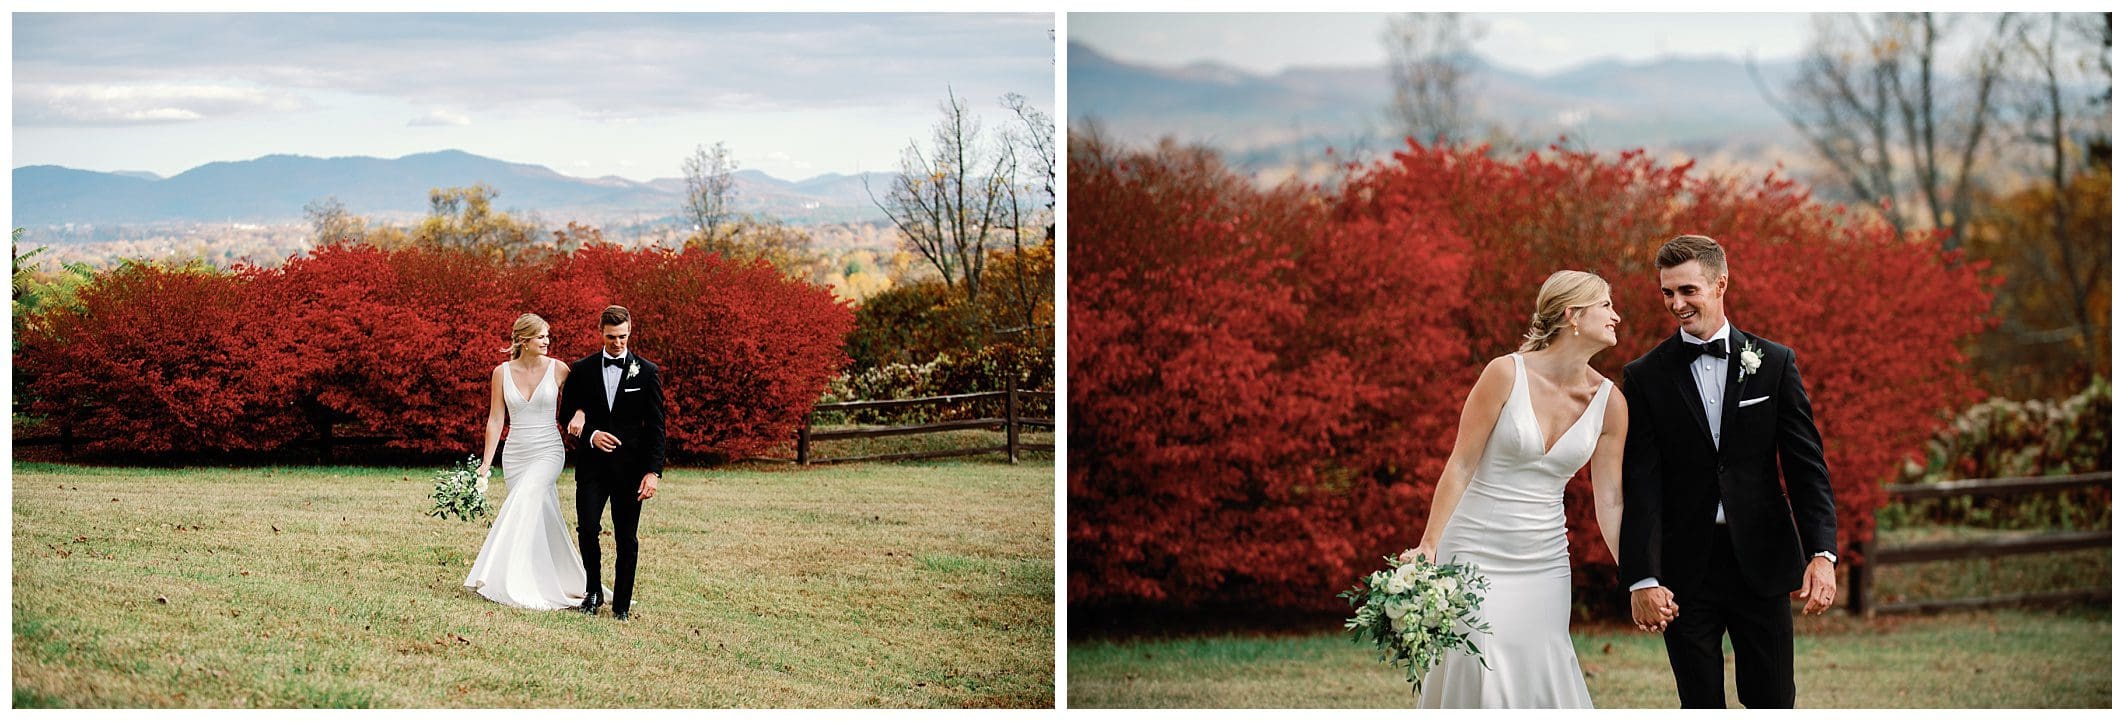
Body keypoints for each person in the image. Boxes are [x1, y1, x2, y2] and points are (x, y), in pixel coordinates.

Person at [1618, 234, 1839, 708]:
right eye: (1667, 293)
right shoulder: (1644, 376)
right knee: (1699, 706)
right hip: (1684, 573)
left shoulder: (1775, 363)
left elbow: (1806, 468)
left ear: (1721, 284)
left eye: (1688, 290)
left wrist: (1822, 553)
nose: (1676, 303)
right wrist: (1643, 577)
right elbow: (1642, 484)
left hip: (1763, 562)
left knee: (1774, 701)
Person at [1405, 270, 1628, 708]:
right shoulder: (1504, 374)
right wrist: (1429, 544)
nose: (1616, 316)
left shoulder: (1611, 403)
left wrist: (1636, 574)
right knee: (1479, 661)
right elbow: (1461, 463)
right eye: (1606, 305)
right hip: (1474, 548)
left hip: (1544, 560)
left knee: (1540, 666)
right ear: (1572, 315)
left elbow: (1611, 500)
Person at [464, 313, 595, 610]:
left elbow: (584, 398)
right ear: (523, 340)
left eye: (548, 336)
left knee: (522, 502)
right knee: (540, 516)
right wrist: (486, 463)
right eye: (540, 336)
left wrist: (579, 414)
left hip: (548, 450)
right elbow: (496, 419)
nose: (547, 341)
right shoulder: (502, 372)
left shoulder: (559, 369)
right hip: (515, 454)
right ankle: (559, 578)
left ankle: (500, 576)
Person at [560, 305, 665, 621]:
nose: (617, 343)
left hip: (630, 470)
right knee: (588, 528)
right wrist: (591, 434)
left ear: (630, 331)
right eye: (610, 337)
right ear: (600, 333)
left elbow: (657, 427)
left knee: (626, 537)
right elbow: (567, 414)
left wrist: (653, 472)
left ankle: (621, 604)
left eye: (622, 337)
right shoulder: (582, 369)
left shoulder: (647, 372)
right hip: (591, 467)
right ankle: (592, 592)